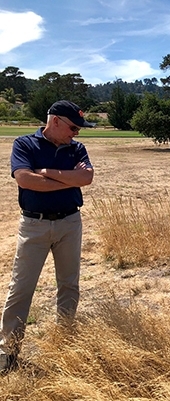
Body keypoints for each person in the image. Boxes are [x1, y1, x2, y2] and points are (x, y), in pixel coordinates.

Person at [0, 100, 95, 373]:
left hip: (70, 222)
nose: (76, 133)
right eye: (73, 127)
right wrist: (68, 178)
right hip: (34, 225)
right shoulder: (24, 145)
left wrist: (46, 173)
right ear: (55, 121)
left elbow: (86, 179)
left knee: (69, 285)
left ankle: (64, 341)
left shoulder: (77, 148)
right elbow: (25, 181)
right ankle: (8, 352)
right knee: (21, 288)